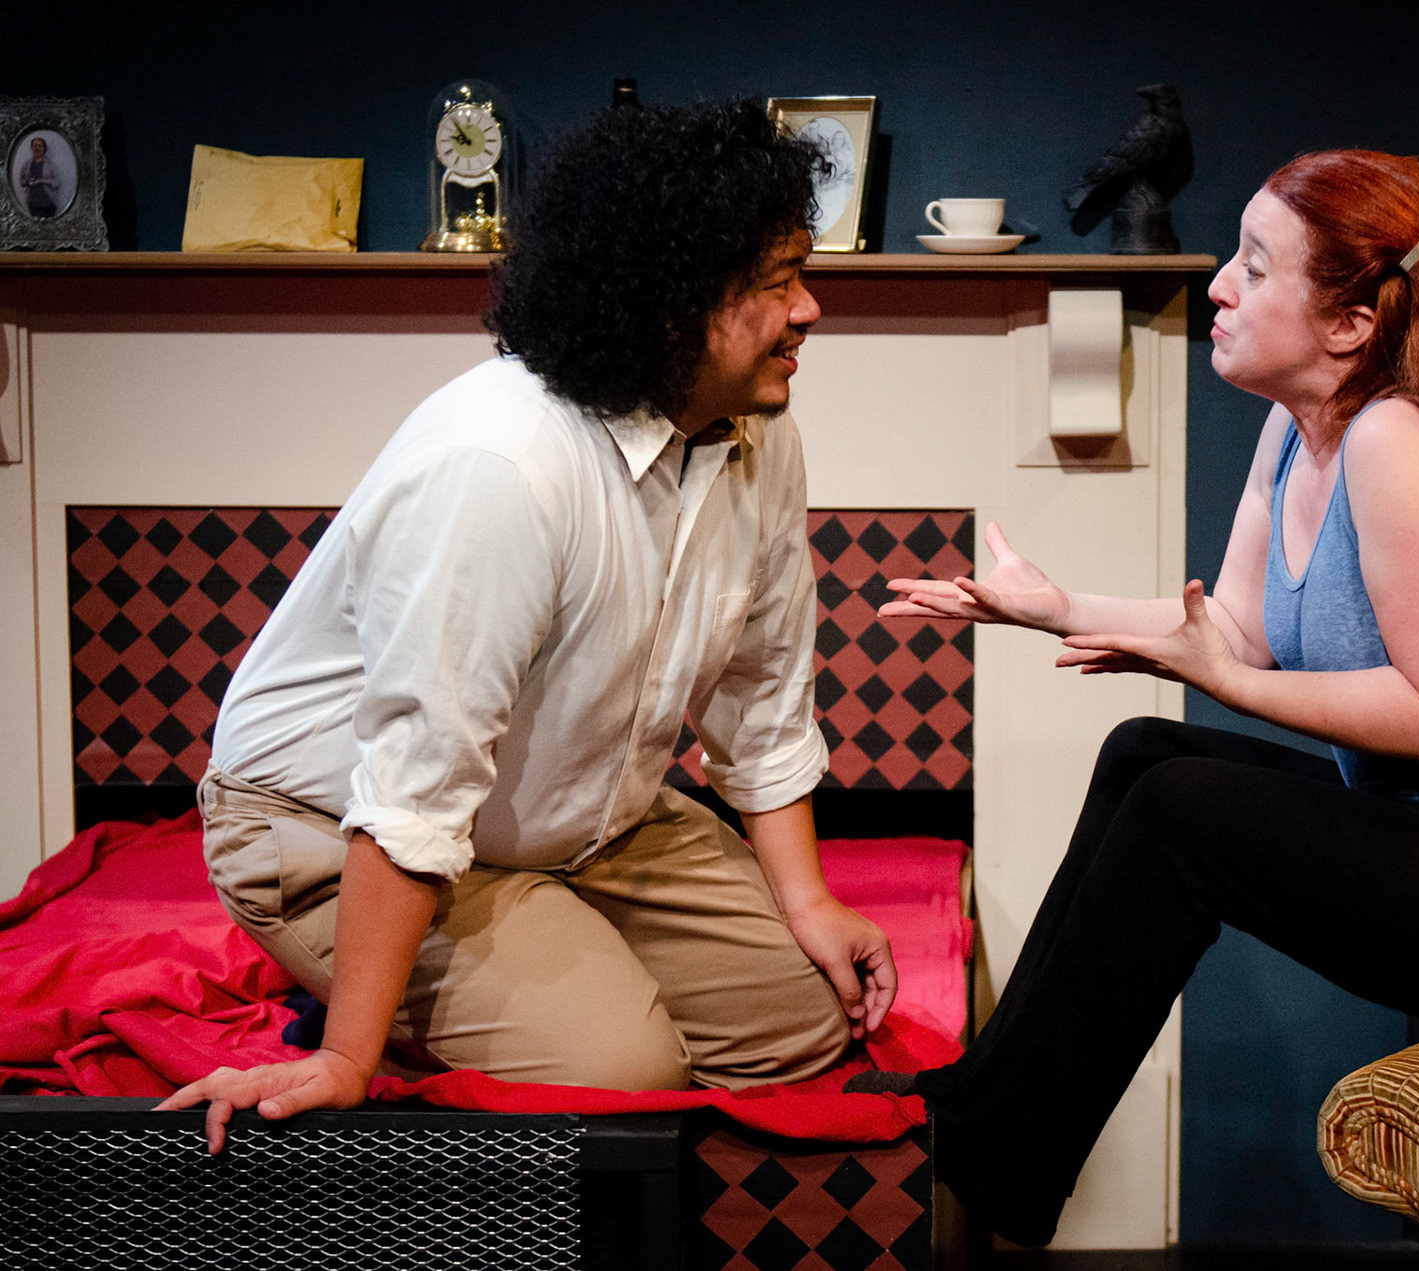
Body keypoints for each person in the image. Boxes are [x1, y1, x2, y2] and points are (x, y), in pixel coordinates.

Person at [865, 150, 1419, 1245]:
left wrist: (1233, 683)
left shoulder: (1400, 443)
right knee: (1146, 755)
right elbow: (1238, 629)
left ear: (1350, 323)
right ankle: (982, 1109)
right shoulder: (1298, 432)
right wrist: (1055, 607)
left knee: (1185, 812)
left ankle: (992, 1161)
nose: (1219, 285)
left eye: (1255, 269)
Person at [158, 100, 896, 1152]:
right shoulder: (501, 465)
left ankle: (533, 952)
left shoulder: (756, 434)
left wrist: (810, 902)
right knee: (625, 1068)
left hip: (578, 820)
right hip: (331, 823)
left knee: (808, 1021)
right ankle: (362, 997)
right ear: (673, 300)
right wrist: (348, 1059)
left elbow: (763, 698)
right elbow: (415, 784)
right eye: (778, 282)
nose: (810, 309)